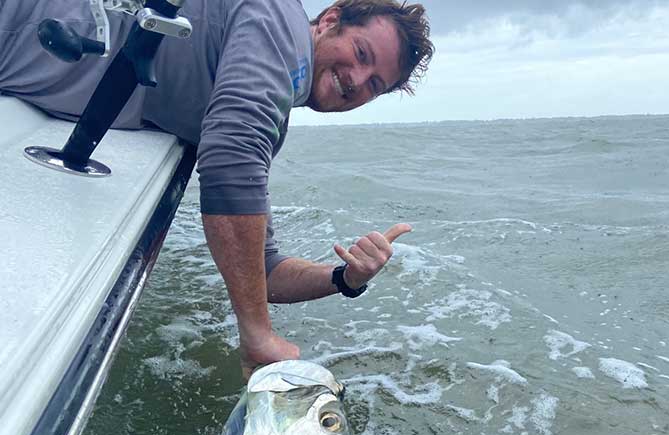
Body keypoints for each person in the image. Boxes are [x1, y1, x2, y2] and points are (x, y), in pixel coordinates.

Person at [0, 0, 433, 376]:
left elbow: (261, 270)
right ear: (329, 20)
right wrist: (257, 333)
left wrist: (344, 278)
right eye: (360, 53)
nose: (357, 79)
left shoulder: (268, 108)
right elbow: (231, 155)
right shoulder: (280, 24)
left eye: (374, 84)